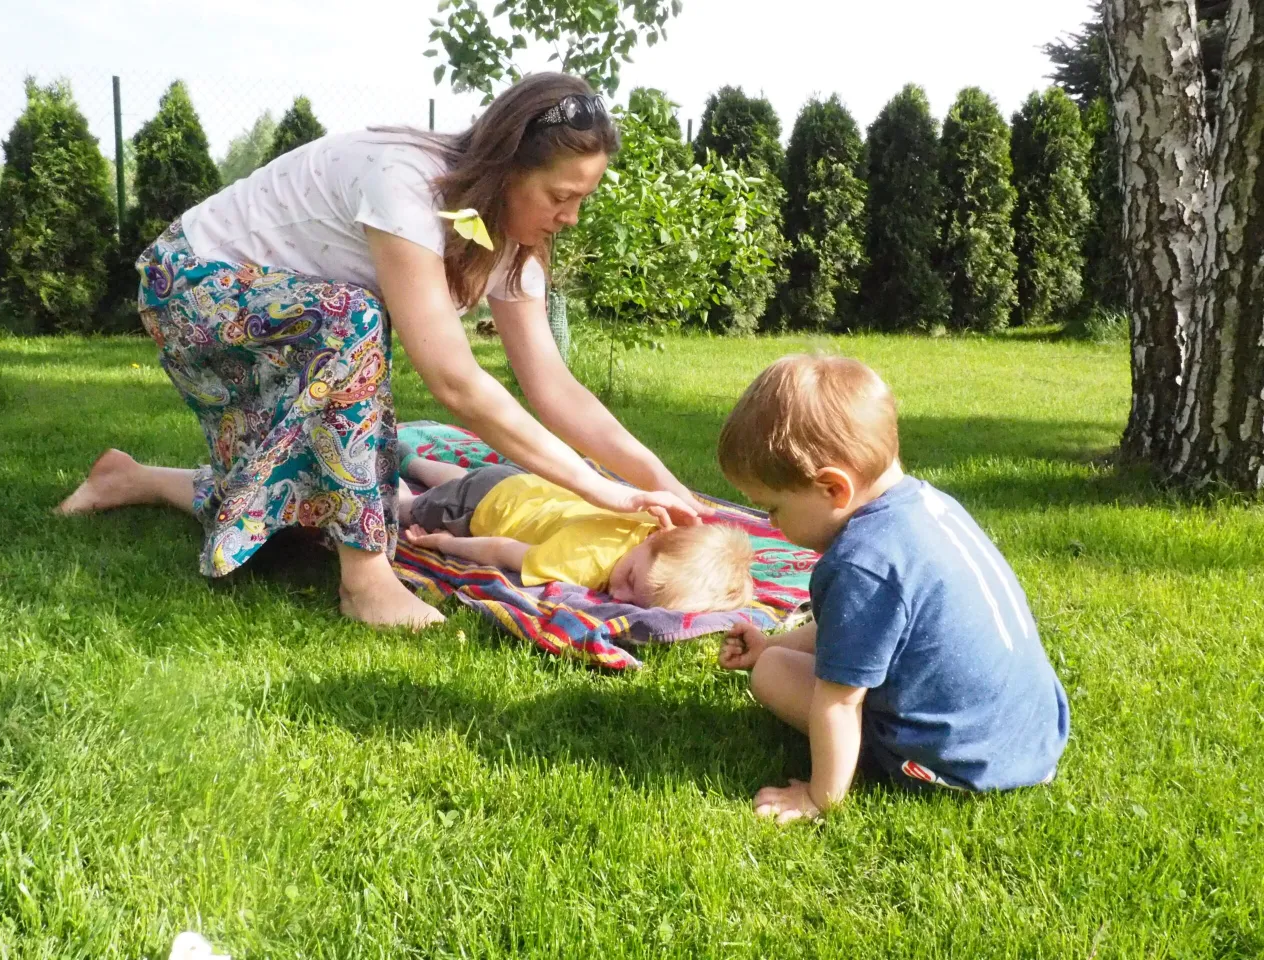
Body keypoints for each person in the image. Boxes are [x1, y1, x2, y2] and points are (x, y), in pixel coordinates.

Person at [57, 73, 710, 630]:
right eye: (560, 197)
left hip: (276, 310)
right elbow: (453, 380)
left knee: (309, 490)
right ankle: (364, 581)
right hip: (190, 285)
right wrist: (597, 487)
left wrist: (658, 484)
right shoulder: (409, 184)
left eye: (580, 201)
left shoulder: (509, 238)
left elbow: (552, 385)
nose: (569, 217)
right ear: (507, 168)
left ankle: (129, 479)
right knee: (354, 322)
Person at [715, 354, 1069, 822]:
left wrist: (820, 798)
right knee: (777, 658)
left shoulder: (863, 564)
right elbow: (850, 630)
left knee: (774, 673)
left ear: (833, 490)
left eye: (773, 508)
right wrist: (772, 643)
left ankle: (845, 777)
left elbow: (840, 702)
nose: (772, 525)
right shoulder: (929, 506)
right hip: (1031, 738)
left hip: (955, 762)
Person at [401, 457, 754, 610]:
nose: (619, 595)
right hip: (481, 510)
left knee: (459, 480)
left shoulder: (651, 523)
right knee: (406, 510)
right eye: (630, 579)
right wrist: (446, 543)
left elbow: (688, 547)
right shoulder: (583, 563)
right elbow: (501, 549)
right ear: (654, 540)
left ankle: (413, 462)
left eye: (634, 601)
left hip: (515, 483)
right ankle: (392, 472)